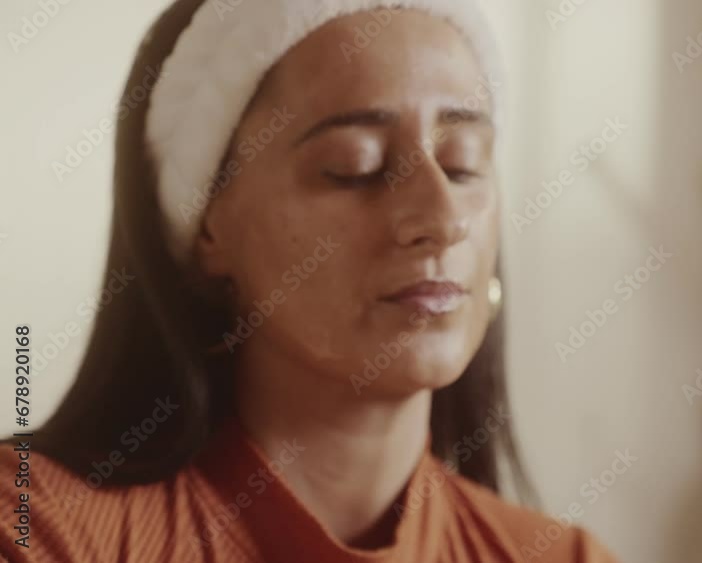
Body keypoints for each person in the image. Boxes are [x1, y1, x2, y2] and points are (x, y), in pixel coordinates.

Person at [0, 0, 621, 561]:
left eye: (462, 165)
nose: (442, 219)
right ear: (208, 228)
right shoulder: (35, 526)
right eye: (355, 168)